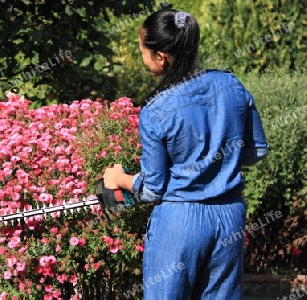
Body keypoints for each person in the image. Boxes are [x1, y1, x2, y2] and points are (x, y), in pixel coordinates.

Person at [102, 7, 269, 300]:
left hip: (181, 222)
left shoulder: (156, 110)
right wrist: (217, 162)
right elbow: (257, 151)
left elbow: (152, 189)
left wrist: (119, 178)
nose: (142, 59)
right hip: (229, 216)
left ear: (161, 57)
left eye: (143, 51)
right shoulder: (231, 84)